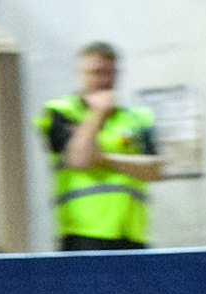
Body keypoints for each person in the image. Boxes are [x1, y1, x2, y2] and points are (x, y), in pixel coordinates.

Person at [37, 42, 162, 252]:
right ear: (81, 74)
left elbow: (155, 169)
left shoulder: (138, 118)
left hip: (131, 235)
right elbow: (80, 159)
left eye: (109, 72)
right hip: (81, 236)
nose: (104, 80)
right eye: (96, 72)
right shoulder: (60, 112)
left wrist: (103, 159)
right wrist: (97, 114)